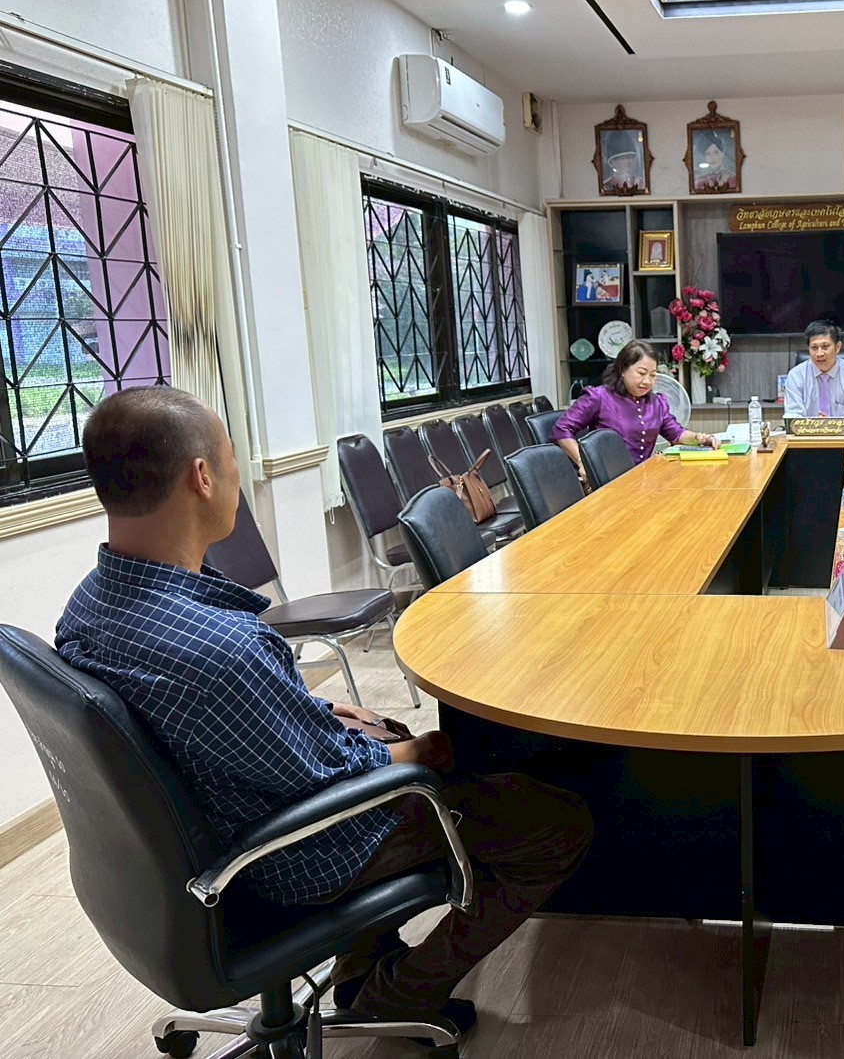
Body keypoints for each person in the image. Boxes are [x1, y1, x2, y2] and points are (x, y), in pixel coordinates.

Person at [54, 386, 592, 1031]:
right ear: (202, 477)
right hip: (295, 855)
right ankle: (403, 992)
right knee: (554, 822)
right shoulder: (222, 649)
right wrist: (416, 751)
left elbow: (228, 726)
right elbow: (326, 777)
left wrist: (325, 713)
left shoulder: (88, 603)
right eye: (231, 460)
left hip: (206, 832)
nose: (236, 478)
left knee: (380, 730)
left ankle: (359, 963)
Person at [551, 339, 717, 476]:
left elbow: (677, 433)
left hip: (644, 478)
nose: (647, 381)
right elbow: (561, 429)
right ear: (623, 370)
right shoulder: (599, 397)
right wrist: (583, 463)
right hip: (609, 482)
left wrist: (700, 438)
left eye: (653, 375)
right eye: (641, 373)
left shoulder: (657, 403)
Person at [782, 319, 844, 426]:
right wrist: (814, 427)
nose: (819, 353)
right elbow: (793, 415)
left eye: (825, 347)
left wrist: (831, 426)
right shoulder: (796, 376)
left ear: (837, 347)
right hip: (808, 435)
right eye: (814, 348)